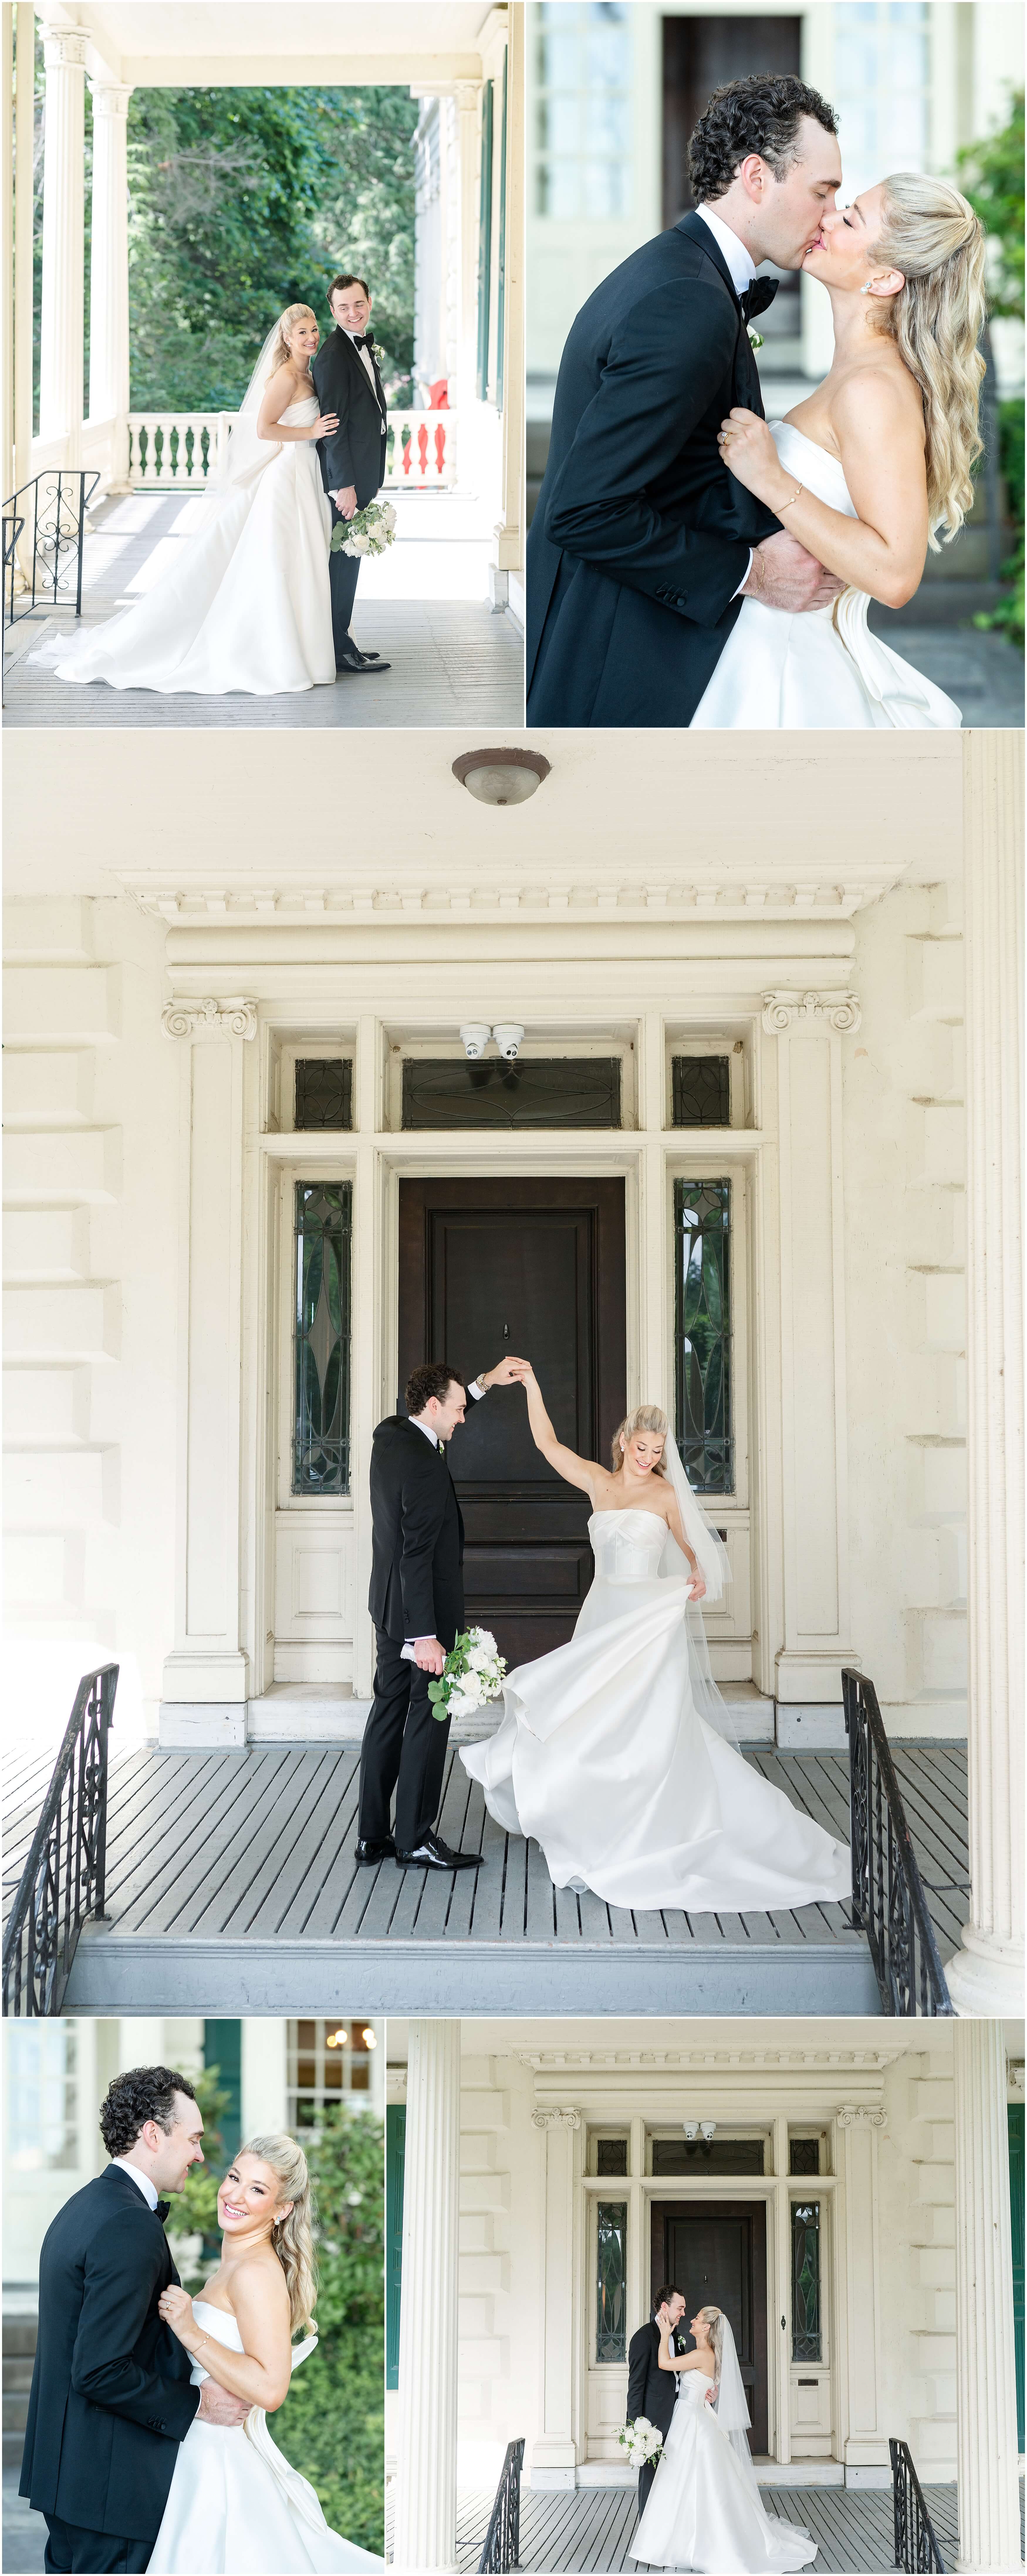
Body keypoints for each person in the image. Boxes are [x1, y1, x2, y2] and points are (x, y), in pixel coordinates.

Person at [526, 74, 845, 728]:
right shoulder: (686, 301)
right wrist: (752, 572)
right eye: (822, 192)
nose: (829, 216)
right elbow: (584, 511)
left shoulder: (681, 273)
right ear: (756, 177)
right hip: (617, 658)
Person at [461, 1380, 850, 1913]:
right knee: (589, 1716)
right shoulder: (599, 1483)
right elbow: (548, 1445)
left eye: (657, 1452)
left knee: (646, 1727)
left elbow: (693, 1546)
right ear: (624, 1442)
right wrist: (531, 1385)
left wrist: (694, 1570)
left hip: (648, 1618)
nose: (647, 1459)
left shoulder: (666, 1495)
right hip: (604, 1614)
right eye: (641, 1448)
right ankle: (589, 1814)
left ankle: (650, 1823)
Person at [692, 169, 985, 727]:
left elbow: (896, 574)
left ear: (884, 280)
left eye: (850, 218)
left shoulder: (874, 390)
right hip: (760, 654)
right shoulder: (857, 375)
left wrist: (772, 479)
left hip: (787, 675)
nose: (827, 217)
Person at [18, 2066, 249, 2574]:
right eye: (192, 2139)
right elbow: (99, 2369)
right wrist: (199, 2405)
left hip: (73, 2479)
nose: (199, 2154)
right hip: (111, 2490)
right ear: (152, 2134)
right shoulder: (128, 2224)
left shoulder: (83, 2207)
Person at [44, 307, 340, 695]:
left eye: (315, 330)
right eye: (302, 332)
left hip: (307, 475)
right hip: (288, 475)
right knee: (280, 562)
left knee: (302, 563)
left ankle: (306, 651)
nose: (311, 338)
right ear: (287, 338)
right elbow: (265, 429)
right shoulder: (285, 377)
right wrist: (310, 430)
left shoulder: (309, 373)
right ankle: (275, 654)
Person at [149, 2134, 381, 2572]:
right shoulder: (235, 2263)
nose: (235, 2195)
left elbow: (271, 2389)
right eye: (235, 2177)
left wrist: (189, 2329)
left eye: (257, 2189)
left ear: (282, 2209)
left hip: (217, 2467)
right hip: (195, 2453)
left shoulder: (256, 2272)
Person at [359, 1356, 526, 1872]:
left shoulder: (390, 1437)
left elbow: (438, 1409)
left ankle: (373, 1836)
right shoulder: (428, 1468)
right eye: (456, 1409)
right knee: (428, 1723)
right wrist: (426, 1638)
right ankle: (413, 1838)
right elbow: (416, 1554)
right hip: (418, 1618)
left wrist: (480, 1385)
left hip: (387, 1610)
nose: (463, 1419)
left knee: (387, 1713)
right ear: (432, 1406)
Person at [631, 2304, 817, 2572]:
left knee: (690, 2481)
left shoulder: (702, 2354)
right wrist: (713, 2392)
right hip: (689, 2417)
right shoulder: (706, 2355)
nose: (691, 2321)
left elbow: (664, 2363)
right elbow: (708, 2385)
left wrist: (663, 2334)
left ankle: (694, 2542)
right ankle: (681, 2538)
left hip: (692, 2421)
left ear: (706, 2327)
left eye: (696, 2318)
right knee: (683, 2482)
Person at [311, 274, 392, 677]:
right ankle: (340, 651)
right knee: (342, 563)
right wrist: (343, 485)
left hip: (363, 473)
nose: (353, 313)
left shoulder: (360, 347)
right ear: (333, 311)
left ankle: (345, 642)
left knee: (350, 559)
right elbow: (333, 427)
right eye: (344, 308)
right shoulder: (331, 356)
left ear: (369, 302)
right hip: (347, 482)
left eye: (358, 304)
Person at [627, 2288, 691, 2521]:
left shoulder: (675, 2335)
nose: (684, 2313)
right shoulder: (644, 2337)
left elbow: (678, 2375)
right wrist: (635, 2428)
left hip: (678, 2413)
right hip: (652, 2421)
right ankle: (647, 2528)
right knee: (650, 2476)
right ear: (665, 2307)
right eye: (680, 2308)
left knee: (674, 2472)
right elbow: (635, 2386)